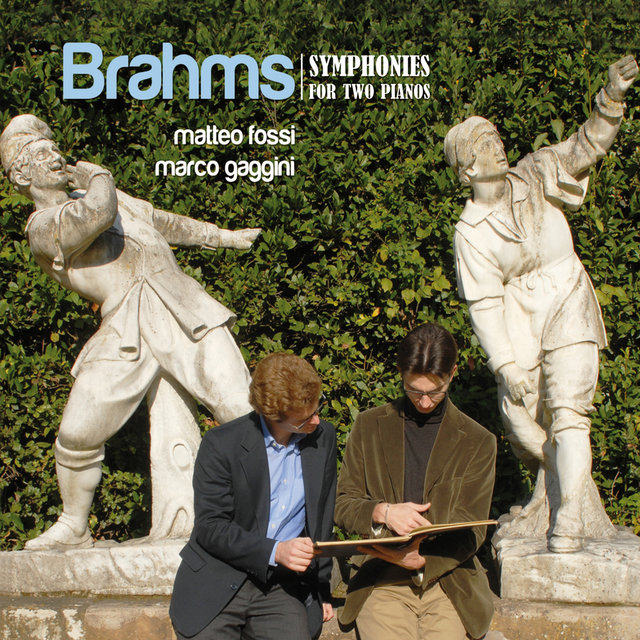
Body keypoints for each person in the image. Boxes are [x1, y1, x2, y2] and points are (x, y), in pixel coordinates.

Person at [0, 114, 261, 549]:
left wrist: (221, 237)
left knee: (240, 408)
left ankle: (274, 515)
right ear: (22, 174)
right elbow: (98, 214)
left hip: (183, 307)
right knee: (76, 435)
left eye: (55, 149)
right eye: (43, 154)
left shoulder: (100, 193)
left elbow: (161, 220)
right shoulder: (44, 226)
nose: (57, 157)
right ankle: (73, 525)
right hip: (124, 327)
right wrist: (99, 175)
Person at [444, 55, 638, 552]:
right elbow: (484, 304)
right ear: (468, 168)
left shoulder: (535, 172)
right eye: (485, 144)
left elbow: (586, 146)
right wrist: (506, 364)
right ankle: (555, 492)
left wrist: (611, 99)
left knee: (570, 410)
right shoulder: (471, 233)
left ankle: (569, 516)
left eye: (495, 137)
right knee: (520, 416)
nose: (498, 145)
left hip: (568, 293)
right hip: (520, 315)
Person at [335, 323, 496, 640]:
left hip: (449, 581)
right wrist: (382, 512)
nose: (424, 401)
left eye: (435, 391)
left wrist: (421, 561)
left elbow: (474, 529)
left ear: (452, 374)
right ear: (400, 373)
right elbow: (342, 504)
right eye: (414, 389)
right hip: (381, 578)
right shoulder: (368, 426)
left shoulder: (478, 441)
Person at [170, 353, 337, 640]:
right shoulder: (221, 444)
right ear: (273, 416)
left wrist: (321, 587)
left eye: (318, 407)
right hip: (217, 578)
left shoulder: (323, 437)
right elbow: (211, 527)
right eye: (304, 419)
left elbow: (322, 514)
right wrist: (275, 551)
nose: (316, 420)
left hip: (280, 585)